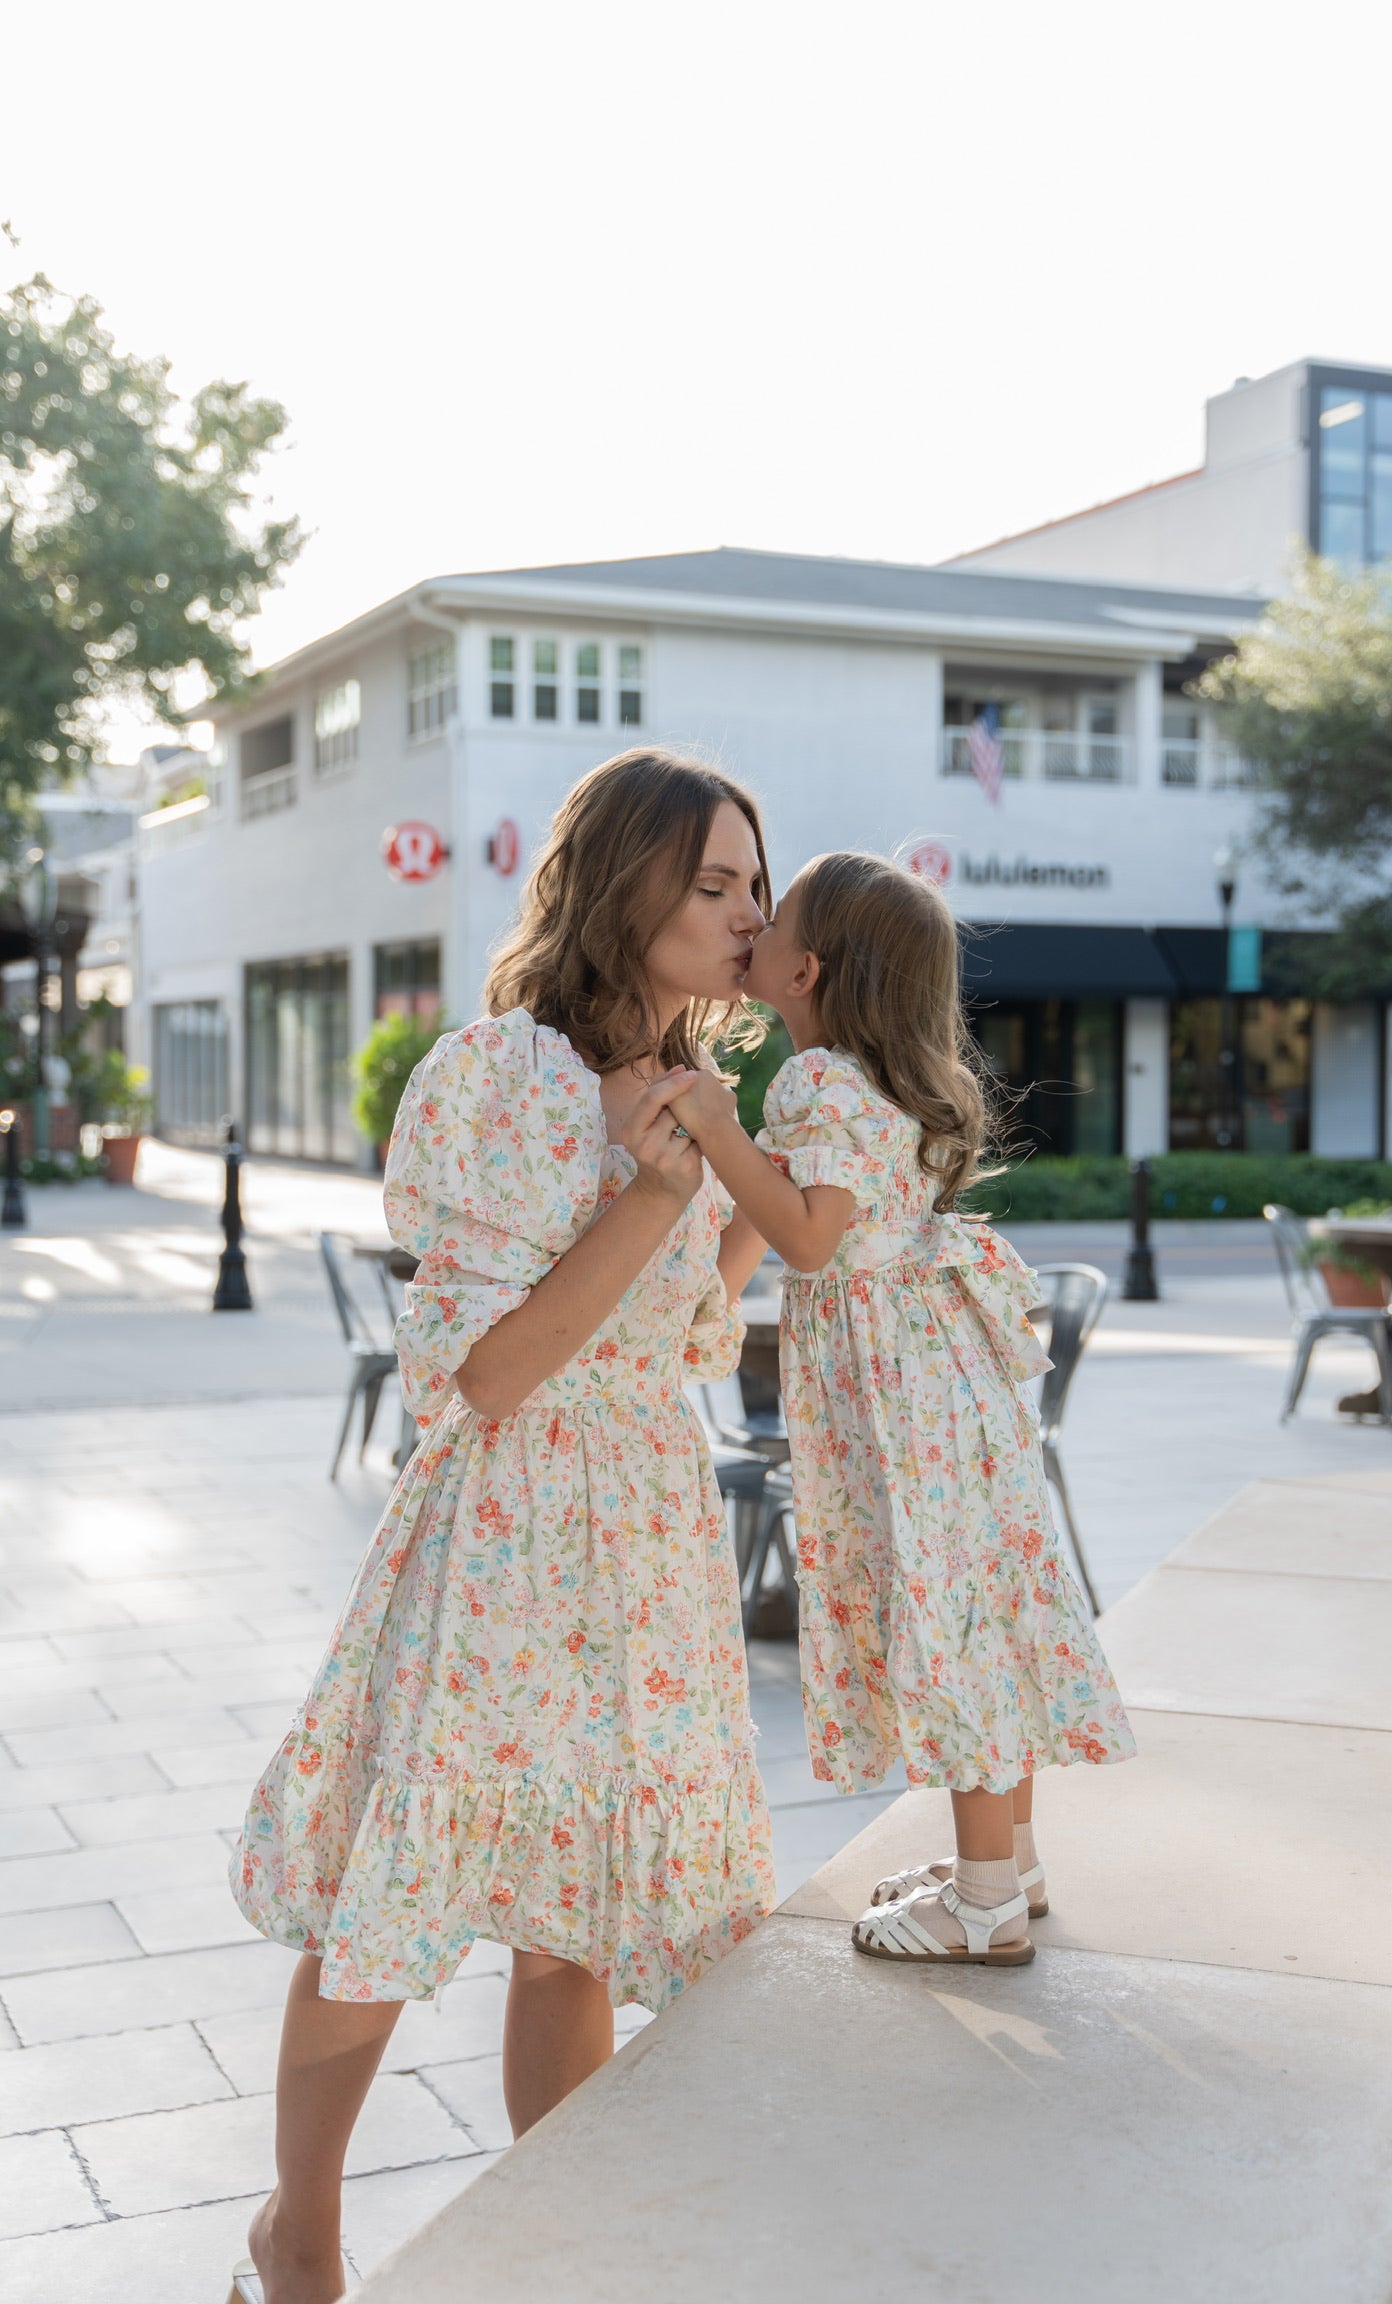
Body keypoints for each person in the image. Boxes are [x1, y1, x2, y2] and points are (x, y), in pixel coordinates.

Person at [228, 751, 777, 2304]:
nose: (747, 914)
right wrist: (656, 1202)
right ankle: (304, 2238)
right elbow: (489, 1369)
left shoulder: (693, 1098)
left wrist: (758, 1194)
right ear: (626, 887)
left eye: (754, 884)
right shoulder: (498, 1078)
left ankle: (565, 2249)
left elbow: (674, 1343)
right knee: (391, 1895)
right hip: (508, 1530)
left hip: (649, 1531)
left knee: (578, 1921)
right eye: (716, 883)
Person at [660, 850, 1134, 1969]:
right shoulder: (880, 1083)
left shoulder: (815, 1081)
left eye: (772, 921)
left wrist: (714, 1127)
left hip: (899, 1409)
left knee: (948, 1623)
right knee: (981, 1609)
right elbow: (755, 1230)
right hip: (945, 1395)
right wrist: (699, 1314)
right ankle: (1006, 1867)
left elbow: (809, 1234)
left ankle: (980, 1908)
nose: (754, 928)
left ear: (805, 971)